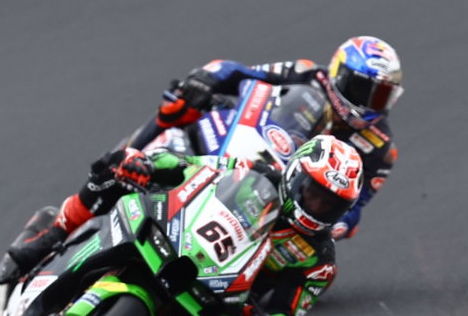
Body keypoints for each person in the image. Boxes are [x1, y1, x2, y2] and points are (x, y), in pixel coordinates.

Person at [0, 135, 363, 316]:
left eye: (330, 204)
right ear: (295, 175)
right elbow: (192, 168)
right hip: (180, 240)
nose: (317, 206)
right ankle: (46, 240)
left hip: (227, 301)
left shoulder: (319, 261)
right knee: (113, 170)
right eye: (313, 193)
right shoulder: (254, 171)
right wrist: (147, 164)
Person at [136, 36, 403, 240]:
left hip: (291, 201)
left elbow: (355, 206)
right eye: (364, 90)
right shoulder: (308, 74)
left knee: (309, 244)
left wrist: (338, 225)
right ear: (340, 74)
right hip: (248, 149)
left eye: (381, 96)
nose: (371, 103)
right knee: (180, 107)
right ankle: (129, 156)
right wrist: (205, 79)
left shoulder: (380, 147)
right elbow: (237, 73)